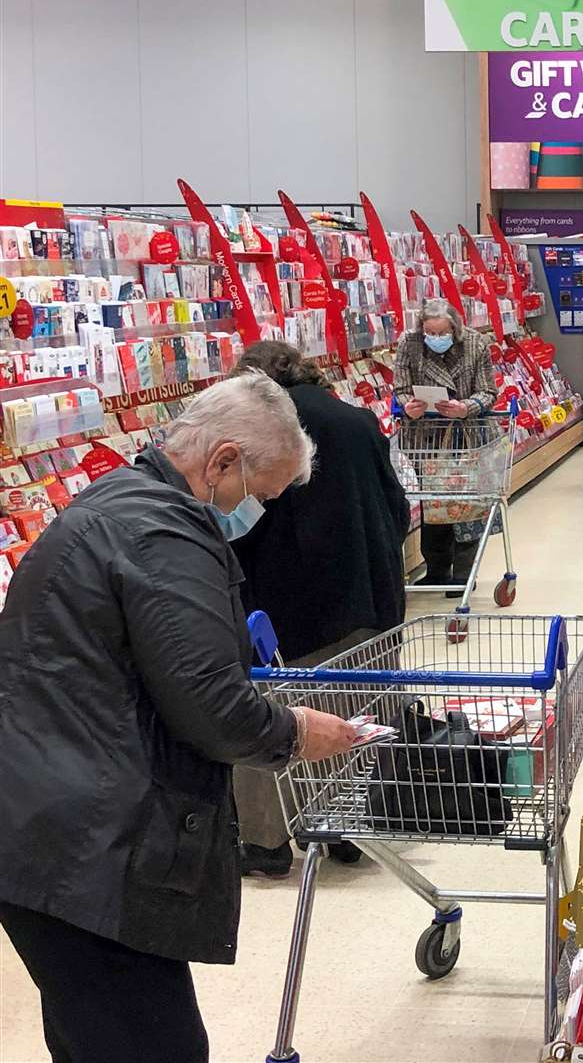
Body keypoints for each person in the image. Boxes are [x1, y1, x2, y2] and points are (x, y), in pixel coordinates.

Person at [0, 372, 358, 1063]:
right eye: (261, 496)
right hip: (88, 845)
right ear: (223, 460)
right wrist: (295, 733)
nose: (258, 515)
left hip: (49, 826)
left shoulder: (116, 504)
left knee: (94, 1036)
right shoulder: (164, 535)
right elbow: (215, 709)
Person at [229, 341, 411, 878]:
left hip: (293, 598)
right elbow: (397, 505)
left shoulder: (263, 433)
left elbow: (245, 523)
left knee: (271, 712)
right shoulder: (355, 419)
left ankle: (265, 843)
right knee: (357, 707)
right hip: (370, 592)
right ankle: (347, 829)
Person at [392, 298, 498, 592]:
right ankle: (437, 568)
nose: (436, 339)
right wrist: (407, 406)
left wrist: (465, 407)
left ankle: (465, 572)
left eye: (443, 333)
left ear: (456, 328)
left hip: (466, 435)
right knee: (434, 504)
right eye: (430, 333)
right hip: (426, 438)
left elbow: (489, 391)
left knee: (466, 507)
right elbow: (400, 387)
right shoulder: (409, 345)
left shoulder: (476, 344)